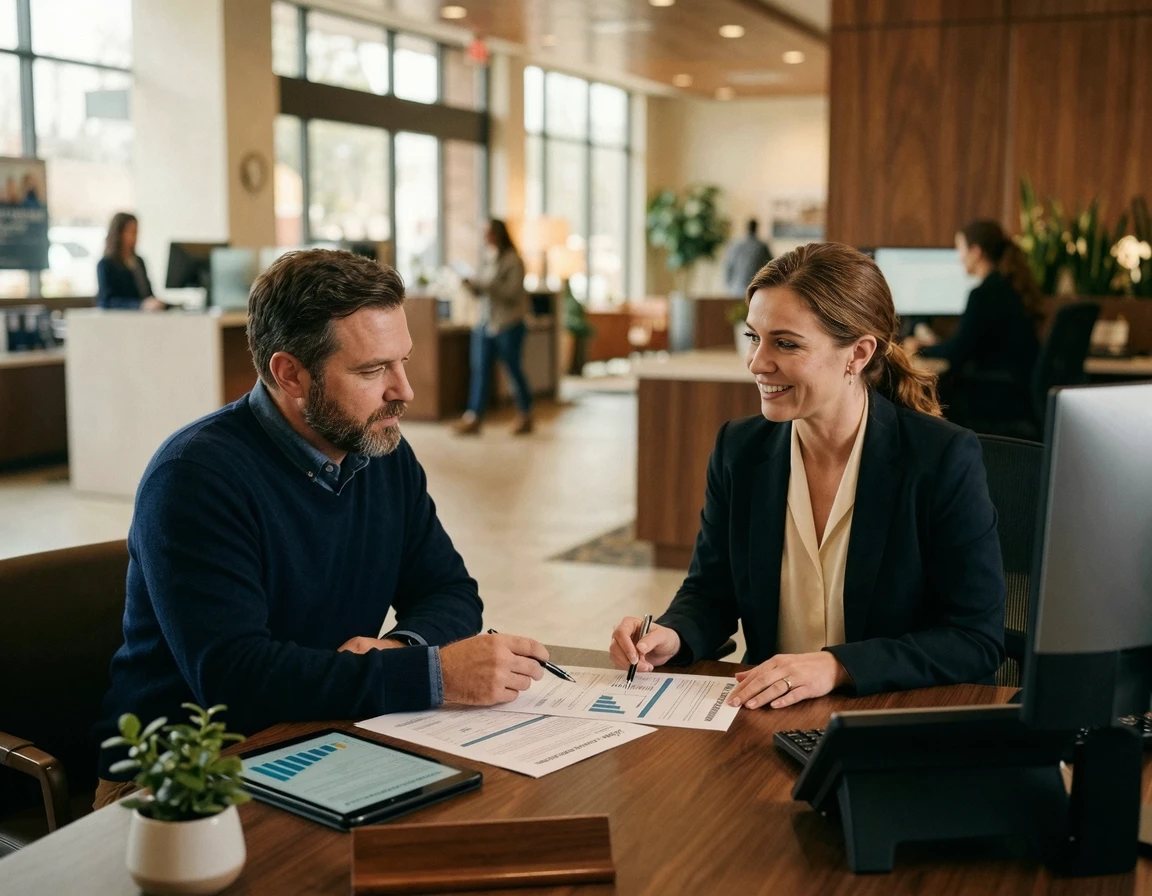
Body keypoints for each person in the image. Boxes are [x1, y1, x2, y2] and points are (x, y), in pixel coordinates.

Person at [93, 249, 551, 808]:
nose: (404, 390)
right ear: (290, 374)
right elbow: (238, 682)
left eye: (402, 360)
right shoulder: (194, 478)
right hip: (179, 772)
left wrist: (396, 649)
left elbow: (449, 590)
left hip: (328, 733)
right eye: (372, 370)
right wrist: (430, 674)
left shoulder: (381, 452)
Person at [610, 243, 1005, 711]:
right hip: (767, 716)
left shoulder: (940, 458)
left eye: (786, 342)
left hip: (884, 716)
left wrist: (838, 666)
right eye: (753, 337)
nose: (757, 362)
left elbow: (974, 639)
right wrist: (672, 634)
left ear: (857, 353)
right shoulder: (740, 450)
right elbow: (711, 591)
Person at [905, 219, 1041, 423]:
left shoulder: (984, 294)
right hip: (1013, 391)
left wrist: (916, 347)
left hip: (993, 396)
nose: (958, 257)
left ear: (975, 251)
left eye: (959, 249)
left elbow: (956, 353)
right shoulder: (1006, 287)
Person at [454, 219, 534, 436]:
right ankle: (474, 418)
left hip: (509, 324)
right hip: (486, 324)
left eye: (487, 232)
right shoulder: (488, 259)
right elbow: (484, 292)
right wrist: (472, 286)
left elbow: (512, 293)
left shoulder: (513, 261)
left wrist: (487, 285)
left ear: (497, 233)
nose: (484, 237)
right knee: (480, 371)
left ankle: (525, 414)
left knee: (513, 371)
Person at [96, 212, 166, 310]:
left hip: (145, 317)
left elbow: (148, 294)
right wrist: (140, 305)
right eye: (132, 232)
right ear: (119, 234)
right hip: (123, 318)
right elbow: (106, 301)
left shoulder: (139, 261)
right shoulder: (105, 264)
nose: (135, 237)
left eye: (136, 232)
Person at [722, 218, 773, 298]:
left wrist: (729, 285)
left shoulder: (735, 245)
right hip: (756, 290)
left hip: (736, 288)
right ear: (756, 228)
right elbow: (771, 266)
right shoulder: (761, 246)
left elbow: (728, 267)